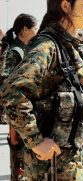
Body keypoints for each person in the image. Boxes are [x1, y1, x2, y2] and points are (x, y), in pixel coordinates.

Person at [0, 0, 83, 180]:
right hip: (51, 167)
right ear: (66, 6)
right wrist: (35, 141)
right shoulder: (47, 46)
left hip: (73, 163)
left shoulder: (71, 46)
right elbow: (11, 91)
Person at [0, 13, 38, 181]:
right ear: (25, 29)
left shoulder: (25, 49)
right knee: (19, 163)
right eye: (35, 28)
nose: (37, 32)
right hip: (17, 114)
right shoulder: (15, 51)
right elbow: (7, 86)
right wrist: (12, 127)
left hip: (25, 111)